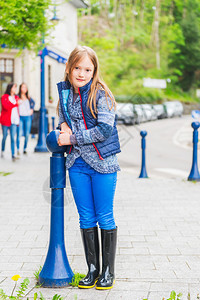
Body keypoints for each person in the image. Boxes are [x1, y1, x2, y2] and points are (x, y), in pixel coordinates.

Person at [57, 45, 121, 290]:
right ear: (69, 68)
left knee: (104, 215)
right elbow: (63, 116)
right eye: (77, 68)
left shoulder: (100, 94)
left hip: (103, 164)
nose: (81, 74)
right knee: (86, 217)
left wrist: (72, 138)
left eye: (87, 69)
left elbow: (104, 129)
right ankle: (92, 269)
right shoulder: (65, 94)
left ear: (94, 71)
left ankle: (108, 272)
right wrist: (63, 124)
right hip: (77, 164)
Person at [0, 83, 20, 161]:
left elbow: (17, 109)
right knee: (4, 136)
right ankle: (2, 150)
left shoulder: (16, 97)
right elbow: (6, 107)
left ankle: (13, 155)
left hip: (14, 120)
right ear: (10, 88)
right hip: (5, 120)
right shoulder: (4, 97)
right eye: (14, 87)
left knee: (12, 138)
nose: (15, 89)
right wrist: (15, 104)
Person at [16, 83, 35, 154]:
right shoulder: (17, 97)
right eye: (23, 87)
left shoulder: (29, 98)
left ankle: (25, 148)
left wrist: (32, 109)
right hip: (20, 117)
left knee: (27, 134)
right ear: (20, 88)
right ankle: (17, 149)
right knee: (19, 133)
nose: (24, 89)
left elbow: (33, 103)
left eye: (25, 87)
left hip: (27, 117)